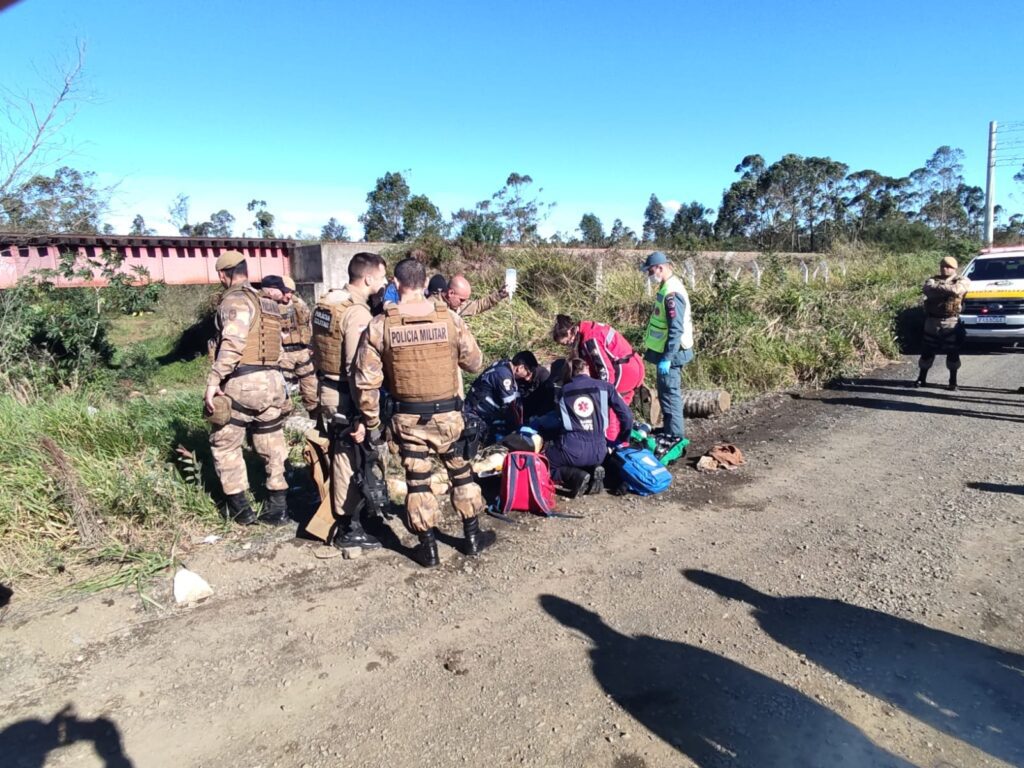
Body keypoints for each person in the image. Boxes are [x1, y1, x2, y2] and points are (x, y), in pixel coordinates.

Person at [354, 257, 492, 568]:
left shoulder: (380, 325)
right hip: (449, 417)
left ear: (395, 282)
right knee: (462, 475)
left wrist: (373, 421)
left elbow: (366, 382)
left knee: (418, 482)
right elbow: (474, 362)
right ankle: (471, 538)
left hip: (408, 420)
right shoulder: (450, 319)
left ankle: (428, 549)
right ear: (426, 282)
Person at [309, 252, 389, 549]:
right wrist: (361, 415)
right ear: (368, 278)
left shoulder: (327, 302)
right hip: (346, 394)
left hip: (327, 387)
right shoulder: (357, 313)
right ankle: (349, 527)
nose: (383, 282)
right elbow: (357, 368)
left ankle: (352, 516)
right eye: (381, 276)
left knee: (343, 455)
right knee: (350, 457)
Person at [204, 250, 290, 526]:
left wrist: (214, 380)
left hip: (243, 382)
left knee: (225, 442)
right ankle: (278, 506)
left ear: (222, 275)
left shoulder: (236, 302)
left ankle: (241, 509)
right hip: (274, 381)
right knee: (271, 442)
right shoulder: (268, 304)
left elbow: (232, 344)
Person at [537, 358, 633, 497]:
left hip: (571, 449)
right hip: (599, 450)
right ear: (587, 367)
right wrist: (623, 438)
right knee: (591, 457)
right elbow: (627, 416)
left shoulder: (563, 391)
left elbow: (558, 420)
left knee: (544, 464)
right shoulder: (606, 387)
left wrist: (539, 423)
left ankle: (575, 476)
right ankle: (595, 469)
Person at [553, 314, 644, 444]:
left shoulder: (590, 339)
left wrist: (601, 396)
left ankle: (611, 445)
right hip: (633, 366)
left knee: (609, 410)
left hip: (625, 371)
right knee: (622, 408)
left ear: (570, 331)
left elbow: (606, 371)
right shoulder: (587, 327)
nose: (568, 346)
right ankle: (623, 441)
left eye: (567, 342)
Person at [641, 251, 694, 439]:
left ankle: (675, 437)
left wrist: (667, 358)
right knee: (665, 394)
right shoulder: (666, 287)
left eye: (650, 271)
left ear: (660, 268)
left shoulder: (672, 292)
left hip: (672, 354)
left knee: (670, 395)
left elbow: (676, 329)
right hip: (666, 353)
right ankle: (669, 429)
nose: (649, 275)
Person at [260, 275, 318, 417]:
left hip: (303, 351)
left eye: (291, 292)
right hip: (284, 354)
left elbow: (309, 325)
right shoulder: (270, 306)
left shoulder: (299, 304)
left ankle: (315, 419)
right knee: (283, 393)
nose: (289, 295)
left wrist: (312, 346)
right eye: (286, 291)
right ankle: (288, 420)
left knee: (311, 390)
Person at [915, 255, 970, 391]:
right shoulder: (932, 280)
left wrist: (939, 288)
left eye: (948, 267)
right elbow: (928, 289)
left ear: (954, 269)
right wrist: (947, 289)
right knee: (927, 351)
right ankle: (921, 378)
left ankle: (953, 381)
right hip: (932, 321)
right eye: (942, 266)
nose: (944, 269)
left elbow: (957, 290)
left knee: (952, 352)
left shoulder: (962, 280)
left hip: (951, 321)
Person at [464, 351, 541, 441]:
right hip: (476, 416)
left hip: (481, 413)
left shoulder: (504, 365)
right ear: (520, 367)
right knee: (504, 439)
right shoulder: (504, 375)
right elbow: (512, 407)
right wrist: (518, 429)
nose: (527, 378)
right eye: (527, 373)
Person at [444, 274, 509, 319]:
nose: (463, 303)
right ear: (451, 293)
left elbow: (478, 306)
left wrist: (499, 295)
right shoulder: (434, 308)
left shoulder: (458, 305)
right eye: (461, 300)